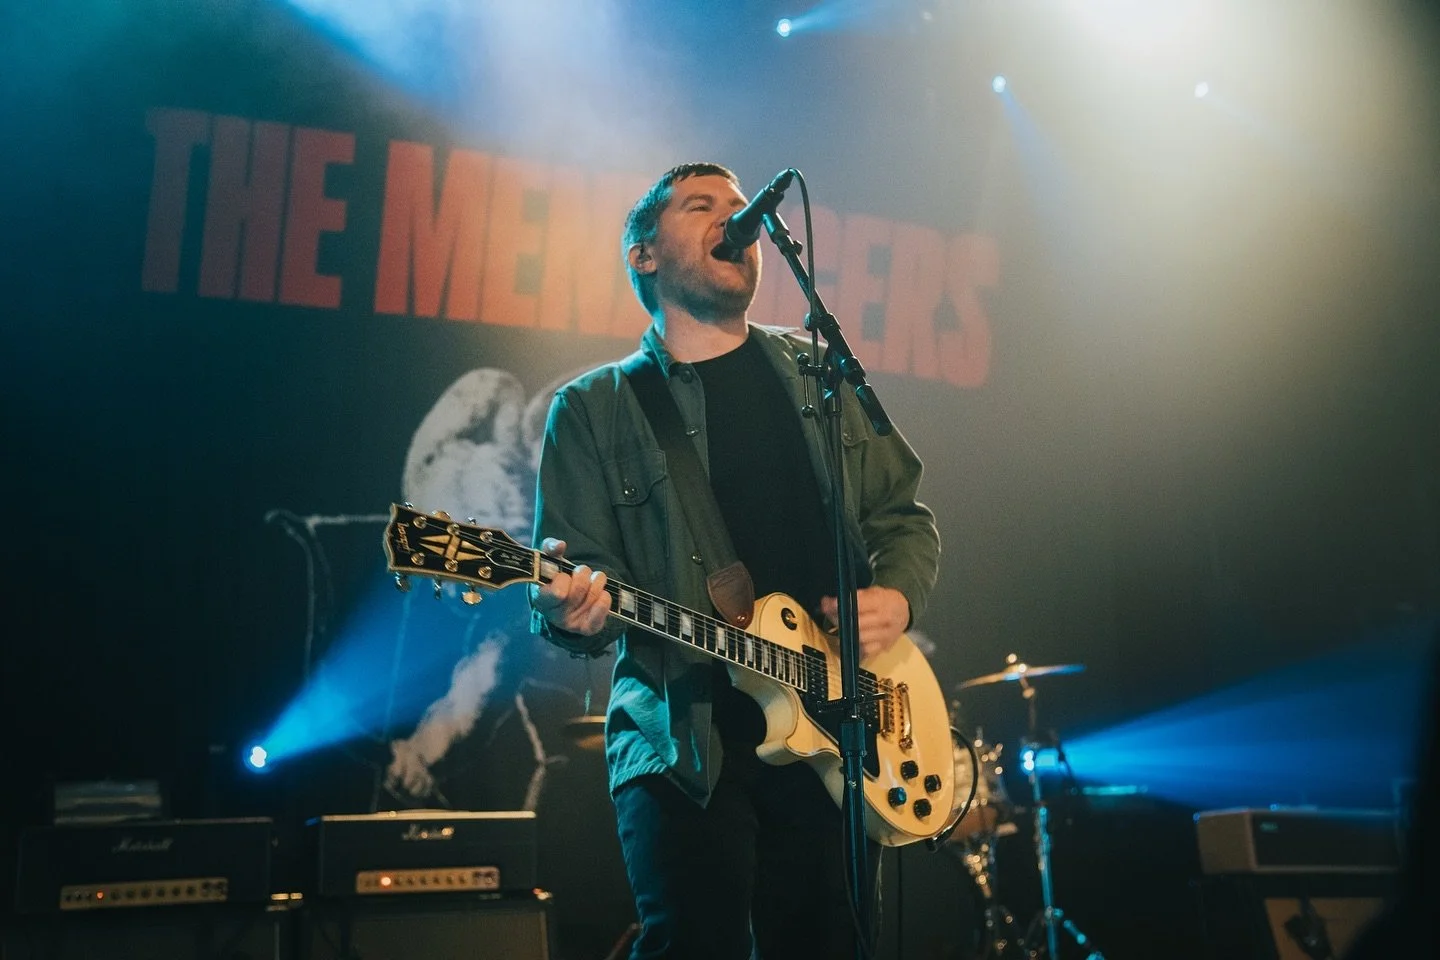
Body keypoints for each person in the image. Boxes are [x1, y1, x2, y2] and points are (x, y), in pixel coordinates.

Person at [529, 162, 942, 959]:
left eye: (738, 205)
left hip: (837, 734)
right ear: (643, 255)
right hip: (688, 743)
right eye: (701, 206)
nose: (734, 218)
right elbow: (573, 584)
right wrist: (570, 608)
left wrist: (898, 597)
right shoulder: (592, 408)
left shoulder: (819, 374)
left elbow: (904, 518)